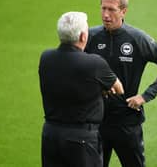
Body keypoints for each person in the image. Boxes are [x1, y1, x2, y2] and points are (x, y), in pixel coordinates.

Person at [85, 0, 157, 167]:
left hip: (126, 123)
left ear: (123, 11)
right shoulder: (91, 36)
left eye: (111, 9)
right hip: (96, 121)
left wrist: (145, 96)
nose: (105, 15)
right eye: (103, 8)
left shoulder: (137, 38)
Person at [38, 11, 124, 167]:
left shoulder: (46, 58)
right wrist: (101, 89)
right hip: (81, 139)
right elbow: (118, 88)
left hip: (51, 135)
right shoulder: (93, 63)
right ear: (83, 36)